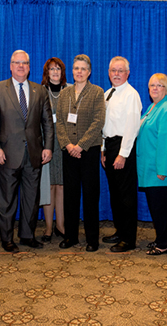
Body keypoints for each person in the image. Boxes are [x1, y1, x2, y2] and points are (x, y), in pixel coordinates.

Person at [0, 50, 54, 253]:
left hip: (34, 154)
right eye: (17, 62)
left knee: (31, 199)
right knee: (6, 200)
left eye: (24, 63)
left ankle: (27, 235)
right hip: (6, 155)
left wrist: (48, 147)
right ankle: (7, 238)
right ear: (10, 66)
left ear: (29, 67)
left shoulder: (40, 91)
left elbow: (47, 123)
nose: (21, 66)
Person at [56, 54, 105, 252]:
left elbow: (98, 122)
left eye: (83, 69)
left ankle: (92, 239)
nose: (79, 72)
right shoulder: (65, 93)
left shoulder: (97, 92)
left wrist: (80, 145)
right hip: (69, 151)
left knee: (91, 196)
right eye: (76, 68)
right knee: (70, 195)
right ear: (72, 71)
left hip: (89, 151)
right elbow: (60, 122)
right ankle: (71, 237)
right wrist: (68, 145)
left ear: (89, 72)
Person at [101, 56, 142, 253]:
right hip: (109, 146)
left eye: (120, 71)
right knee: (115, 193)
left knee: (126, 195)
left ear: (127, 73)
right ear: (109, 73)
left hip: (123, 146)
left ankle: (128, 238)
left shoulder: (131, 95)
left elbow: (132, 127)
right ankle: (120, 230)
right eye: (113, 70)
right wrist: (103, 149)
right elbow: (104, 125)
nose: (116, 74)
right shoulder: (107, 93)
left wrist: (122, 154)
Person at [137, 73, 167, 256]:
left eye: (159, 85)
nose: (155, 88)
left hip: (160, 172)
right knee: (157, 208)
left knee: (163, 209)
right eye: (152, 85)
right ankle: (161, 238)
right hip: (150, 168)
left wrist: (162, 170)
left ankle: (164, 243)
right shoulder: (153, 106)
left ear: (166, 89)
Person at [40, 57, 67, 242]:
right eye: (52, 69)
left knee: (62, 186)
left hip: (65, 145)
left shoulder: (70, 90)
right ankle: (48, 227)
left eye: (58, 69)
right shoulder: (40, 92)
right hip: (46, 146)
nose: (55, 72)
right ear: (47, 72)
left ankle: (61, 225)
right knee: (48, 186)